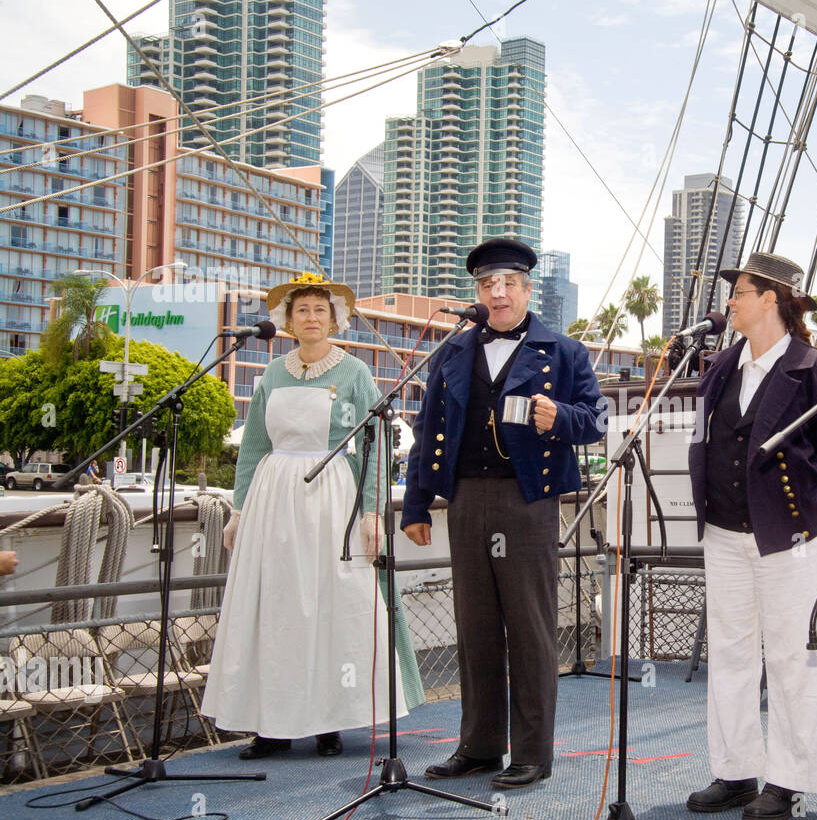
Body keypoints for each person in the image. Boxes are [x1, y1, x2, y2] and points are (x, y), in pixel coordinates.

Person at [401, 238, 605, 789]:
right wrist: (416, 505)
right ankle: (481, 745)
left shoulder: (562, 352)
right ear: (477, 292)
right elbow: (426, 433)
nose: (498, 292)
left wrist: (557, 416)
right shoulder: (451, 352)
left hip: (527, 501)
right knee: (475, 628)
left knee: (531, 628)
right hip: (466, 499)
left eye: (508, 283)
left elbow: (594, 421)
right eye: (488, 284)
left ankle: (532, 753)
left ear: (527, 288)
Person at [202, 274, 424, 759]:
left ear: (333, 319)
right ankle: (272, 725)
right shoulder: (272, 374)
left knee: (332, 605)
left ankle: (330, 720)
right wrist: (239, 510)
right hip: (274, 503)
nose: (310, 318)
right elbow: (254, 448)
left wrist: (371, 511)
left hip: (332, 499)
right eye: (301, 310)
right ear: (287, 320)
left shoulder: (354, 374)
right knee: (275, 608)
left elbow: (374, 446)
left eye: (319, 311)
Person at [685, 252, 817, 820]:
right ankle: (735, 771)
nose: (731, 302)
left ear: (771, 300)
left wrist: (786, 510)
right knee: (729, 654)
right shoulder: (720, 367)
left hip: (789, 537)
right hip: (724, 534)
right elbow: (705, 441)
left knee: (792, 655)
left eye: (741, 292)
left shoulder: (812, 371)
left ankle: (789, 778)